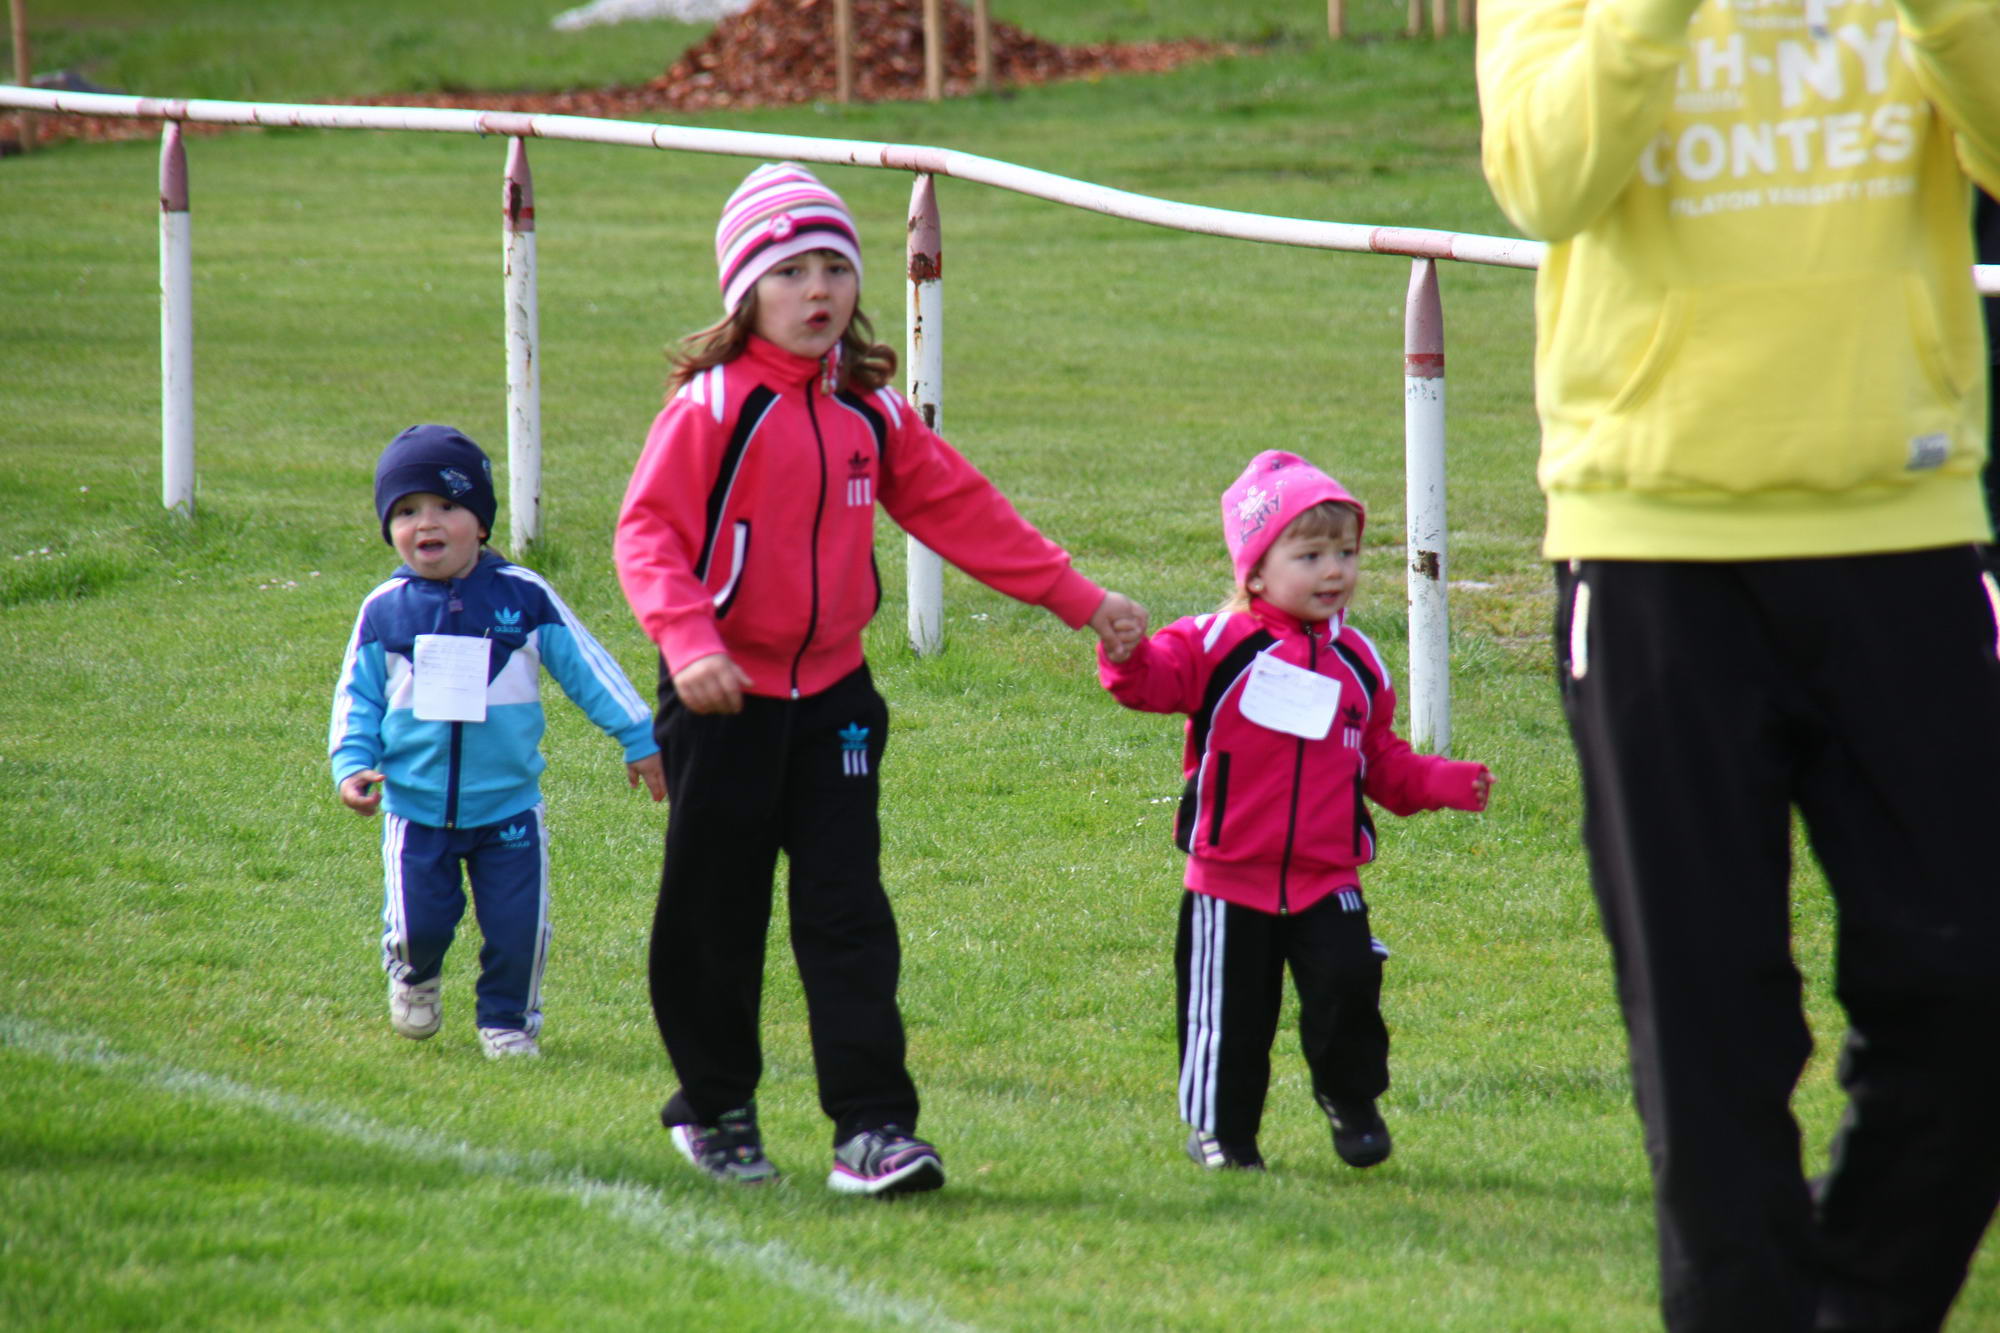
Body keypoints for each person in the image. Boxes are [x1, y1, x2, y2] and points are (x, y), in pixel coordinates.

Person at [1477, 0, 2000, 1324]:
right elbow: (1542, 177)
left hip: (1902, 527)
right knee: (1708, 1035)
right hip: (1653, 549)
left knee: (1970, 993)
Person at [614, 162, 1147, 1196]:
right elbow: (646, 533)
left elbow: (960, 508)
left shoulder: (871, 409)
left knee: (848, 914)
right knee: (715, 915)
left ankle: (872, 1130)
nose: (817, 289)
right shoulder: (710, 406)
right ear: (745, 291)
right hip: (722, 700)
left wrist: (1079, 598)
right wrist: (688, 642)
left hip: (836, 705)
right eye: (789, 272)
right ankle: (715, 1108)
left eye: (834, 267)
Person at [1097, 451, 1492, 1172]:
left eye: (1346, 552)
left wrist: (1440, 781)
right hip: (1227, 878)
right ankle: (1222, 1132)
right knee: (1228, 1016)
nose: (1334, 570)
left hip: (1327, 875)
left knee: (1348, 988)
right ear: (1254, 572)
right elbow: (1150, 681)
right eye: (1309, 555)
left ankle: (1350, 1097)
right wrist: (1124, 655)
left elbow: (1381, 762)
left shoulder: (1361, 662)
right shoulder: (1214, 644)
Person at [330, 424, 665, 1060]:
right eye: (406, 511)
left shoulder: (525, 596)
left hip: (509, 806)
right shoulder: (384, 610)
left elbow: (589, 669)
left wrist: (639, 735)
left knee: (518, 930)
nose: (426, 522)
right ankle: (414, 976)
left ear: (481, 523)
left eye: (446, 505)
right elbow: (357, 697)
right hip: (414, 808)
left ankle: (507, 1022)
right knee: (419, 926)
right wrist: (351, 765)